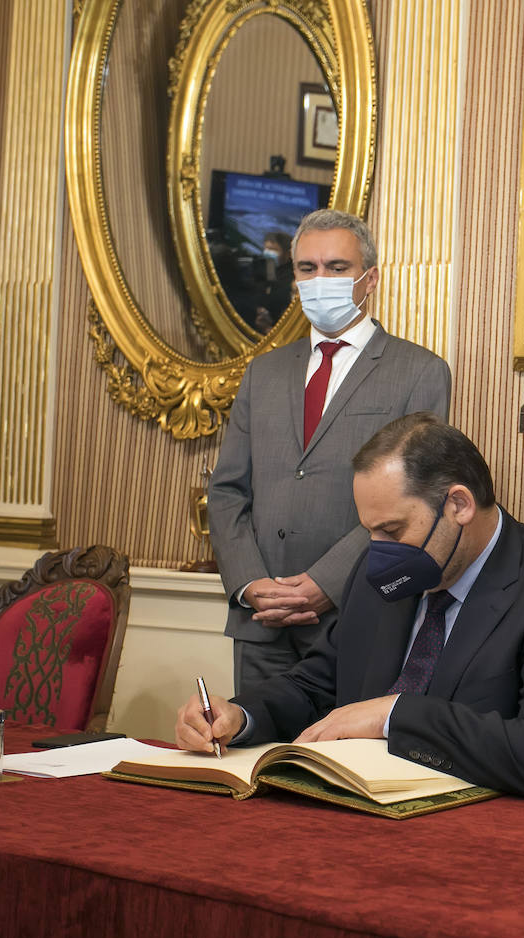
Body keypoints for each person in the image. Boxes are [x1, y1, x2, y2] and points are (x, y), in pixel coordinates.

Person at [181, 413, 524, 801]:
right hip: (359, 817)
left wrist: (395, 714)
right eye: (370, 531)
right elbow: (316, 685)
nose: (377, 550)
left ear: (458, 505)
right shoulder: (379, 576)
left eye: (392, 529)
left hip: (497, 840)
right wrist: (241, 715)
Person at [208, 209, 452, 697]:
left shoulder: (420, 371)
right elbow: (227, 491)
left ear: (370, 279)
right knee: (254, 757)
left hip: (354, 613)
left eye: (337, 268)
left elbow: (416, 502)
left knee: (338, 766)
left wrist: (325, 583)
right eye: (307, 269)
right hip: (261, 621)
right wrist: (251, 583)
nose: (320, 280)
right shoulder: (264, 372)